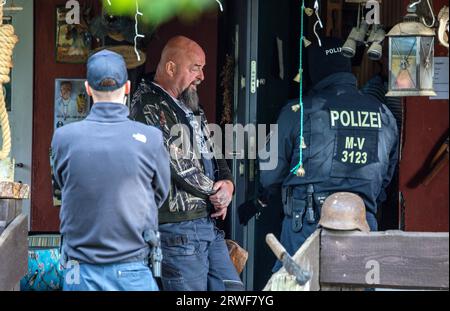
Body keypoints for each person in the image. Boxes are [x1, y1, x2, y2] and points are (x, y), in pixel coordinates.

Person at [260, 38, 399, 272]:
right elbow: (386, 179)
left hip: (306, 228)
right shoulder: (384, 113)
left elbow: (269, 176)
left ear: (314, 71)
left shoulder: (299, 111)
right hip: (363, 226)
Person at [131, 36, 244, 291]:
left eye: (202, 68)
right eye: (196, 68)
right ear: (171, 68)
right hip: (177, 230)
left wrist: (228, 185)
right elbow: (177, 164)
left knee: (234, 291)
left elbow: (212, 150)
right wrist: (216, 193)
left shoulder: (190, 104)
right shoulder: (148, 104)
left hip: (205, 226)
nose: (202, 76)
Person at [51, 50, 170, 291]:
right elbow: (160, 194)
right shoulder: (151, 138)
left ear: (87, 88)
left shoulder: (64, 138)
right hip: (133, 270)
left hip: (80, 272)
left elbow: (60, 188)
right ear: (127, 88)